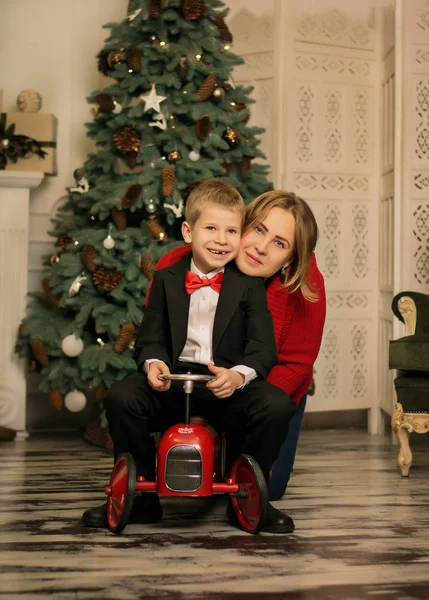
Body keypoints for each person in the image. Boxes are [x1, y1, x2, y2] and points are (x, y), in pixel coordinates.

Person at [82, 180, 297, 533]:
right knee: (122, 397)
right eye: (210, 228)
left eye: (231, 230)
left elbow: (263, 349)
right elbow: (149, 340)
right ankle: (141, 499)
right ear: (188, 231)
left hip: (223, 386)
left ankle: (248, 497)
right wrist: (155, 364)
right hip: (174, 381)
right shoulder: (167, 279)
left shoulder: (249, 286)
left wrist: (238, 375)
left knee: (276, 405)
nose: (221, 239)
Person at [154, 189, 326, 502]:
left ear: (290, 259)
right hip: (201, 384)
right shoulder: (182, 263)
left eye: (279, 243)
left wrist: (236, 408)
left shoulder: (306, 285)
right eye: (258, 230)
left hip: (271, 387)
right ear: (242, 226)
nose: (260, 247)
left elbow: (297, 365)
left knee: (263, 490)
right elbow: (158, 337)